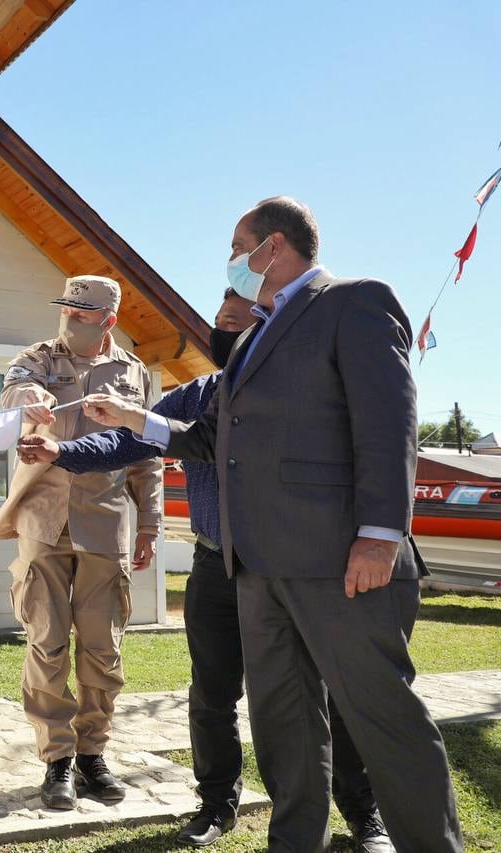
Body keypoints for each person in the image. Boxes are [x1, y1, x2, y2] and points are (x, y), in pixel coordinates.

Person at [81, 197, 463, 852]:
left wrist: (380, 532)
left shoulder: (355, 302)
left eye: (238, 246)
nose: (231, 262)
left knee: (383, 723)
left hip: (342, 563)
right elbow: (210, 434)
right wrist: (129, 419)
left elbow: (388, 418)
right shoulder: (254, 338)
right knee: (285, 729)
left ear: (273, 248)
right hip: (255, 568)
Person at [18, 288, 394, 851]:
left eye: (240, 322)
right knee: (213, 693)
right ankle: (217, 803)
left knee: (323, 691)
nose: (226, 333)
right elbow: (131, 438)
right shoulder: (197, 396)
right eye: (220, 324)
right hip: (217, 563)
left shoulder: (304, 392)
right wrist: (62, 453)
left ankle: (363, 815)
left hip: (292, 564)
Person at [0, 275, 163, 810]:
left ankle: (93, 753)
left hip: (105, 524)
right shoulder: (38, 357)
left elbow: (146, 451)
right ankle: (58, 761)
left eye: (80, 313)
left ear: (108, 321)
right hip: (43, 520)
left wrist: (151, 523)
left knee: (103, 648)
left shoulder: (133, 373)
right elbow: (16, 385)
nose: (68, 318)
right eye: (64, 307)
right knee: (46, 643)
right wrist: (32, 401)